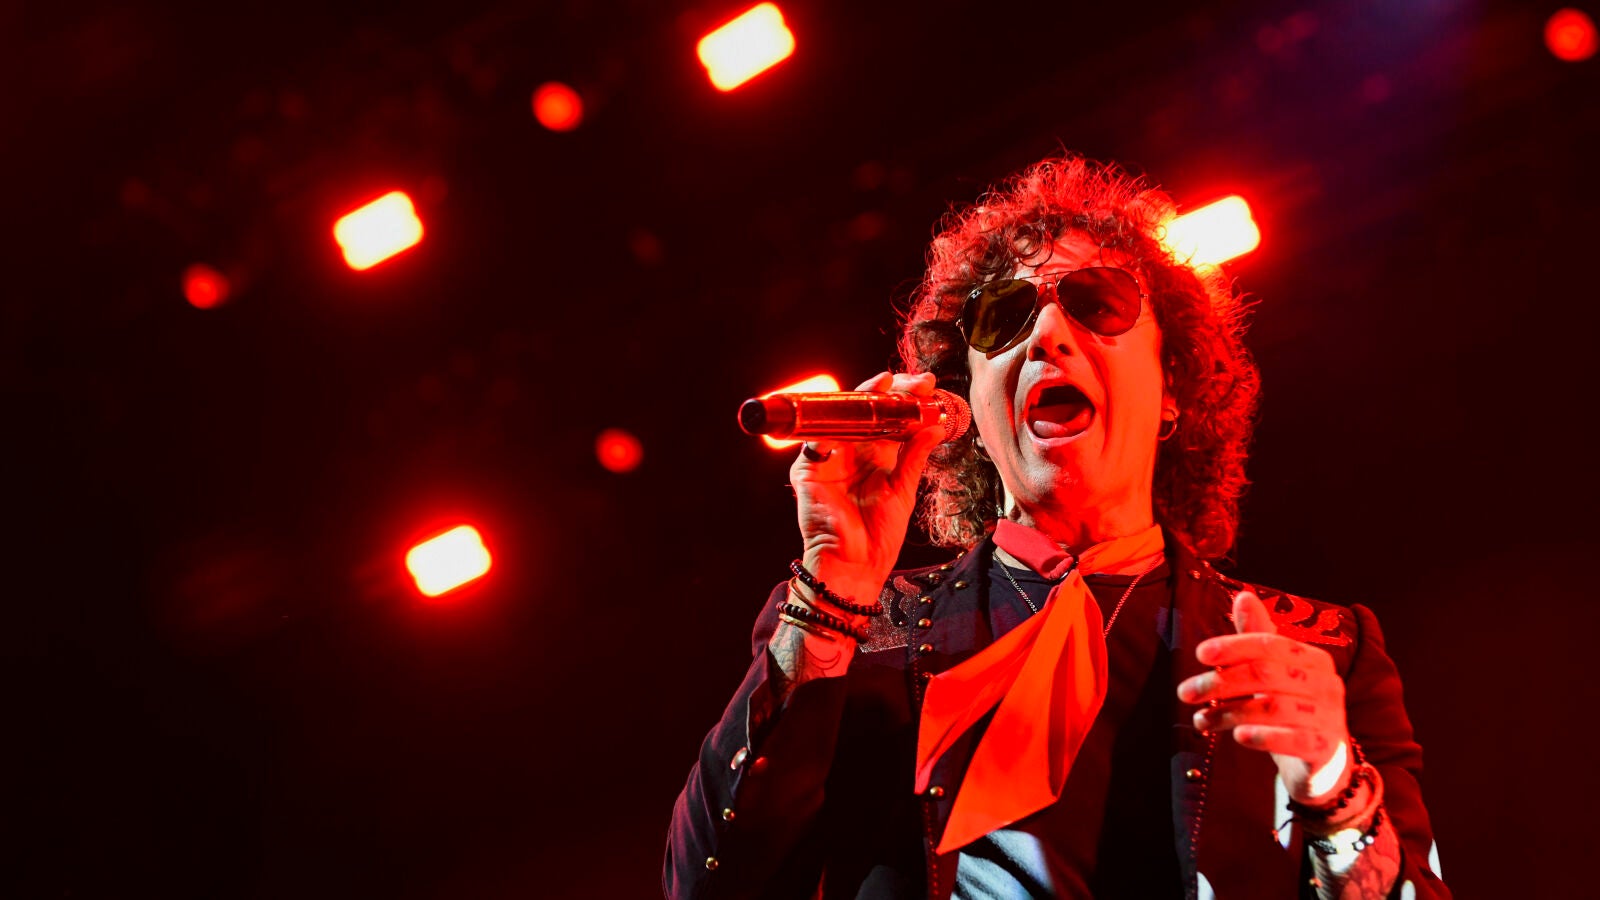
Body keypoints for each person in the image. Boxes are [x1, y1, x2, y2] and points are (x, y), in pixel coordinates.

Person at [664, 154, 1448, 899]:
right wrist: (829, 598)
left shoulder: (1324, 653)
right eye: (1002, 318)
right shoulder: (855, 637)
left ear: (1171, 387)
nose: (1045, 334)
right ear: (970, 404)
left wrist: (1337, 791)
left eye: (1097, 303)